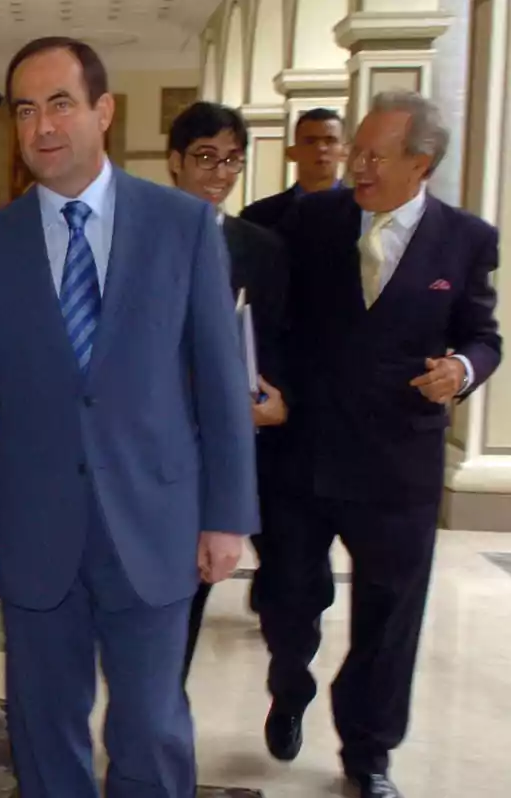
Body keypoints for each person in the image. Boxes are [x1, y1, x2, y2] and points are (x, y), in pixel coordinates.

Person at [0, 37, 257, 798]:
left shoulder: (182, 228)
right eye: (25, 110)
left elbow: (219, 382)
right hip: (35, 527)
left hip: (155, 521)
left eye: (60, 104)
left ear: (102, 111)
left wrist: (227, 515)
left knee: (150, 726)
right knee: (44, 729)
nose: (43, 126)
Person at [260, 91, 501, 798]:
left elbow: (483, 336)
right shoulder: (313, 221)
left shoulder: (466, 240)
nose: (356, 164)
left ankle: (369, 753)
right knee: (285, 597)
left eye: (375, 154)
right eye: (357, 149)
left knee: (389, 617)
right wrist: (267, 384)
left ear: (420, 163)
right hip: (305, 453)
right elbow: (275, 320)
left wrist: (462, 371)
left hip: (399, 463)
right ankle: (289, 681)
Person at [164, 101, 290, 684]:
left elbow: (278, 340)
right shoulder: (142, 237)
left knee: (200, 581)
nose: (219, 174)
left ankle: (163, 711)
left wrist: (275, 401)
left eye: (232, 161)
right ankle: (158, 708)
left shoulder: (260, 248)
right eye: (206, 158)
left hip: (231, 442)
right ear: (175, 162)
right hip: (158, 444)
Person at [240, 107, 347, 229]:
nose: (321, 148)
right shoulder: (258, 216)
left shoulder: (362, 212)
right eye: (310, 141)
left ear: (345, 152)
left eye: (330, 141)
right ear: (292, 152)